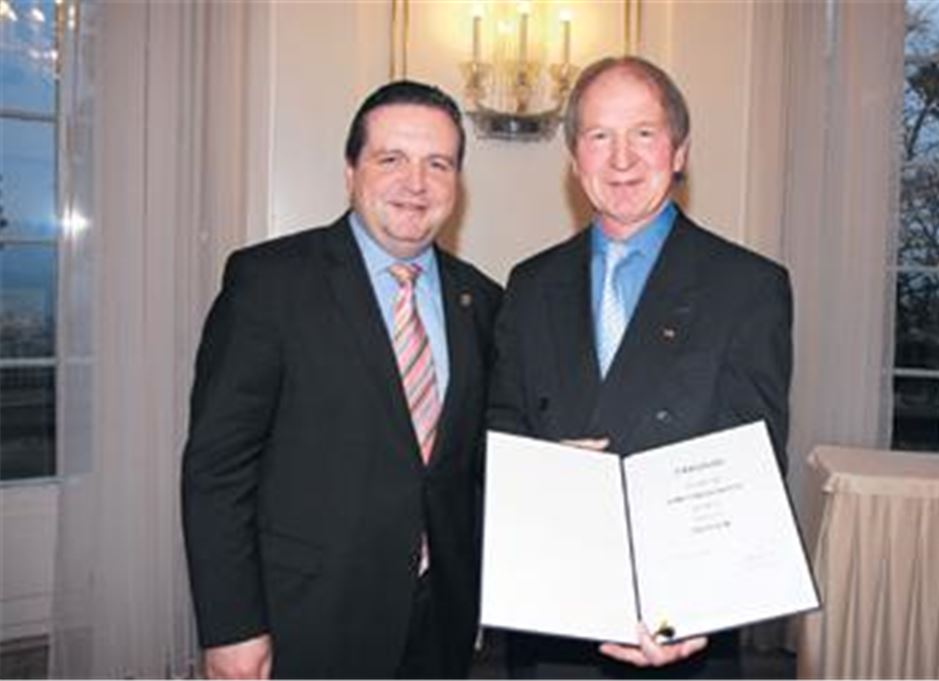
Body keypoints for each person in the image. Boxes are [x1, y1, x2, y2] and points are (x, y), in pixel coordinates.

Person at [181, 80, 502, 679]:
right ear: (351, 170)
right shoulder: (269, 284)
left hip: (441, 622)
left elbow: (480, 462)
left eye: (438, 164)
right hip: (308, 622)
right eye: (391, 160)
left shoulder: (480, 300)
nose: (416, 183)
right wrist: (231, 628)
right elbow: (216, 470)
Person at [488, 55, 793, 678]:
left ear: (679, 151)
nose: (621, 159)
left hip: (683, 634)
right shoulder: (529, 283)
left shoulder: (748, 286)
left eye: (643, 134)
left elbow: (750, 464)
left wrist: (686, 611)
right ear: (575, 161)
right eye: (600, 136)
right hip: (554, 629)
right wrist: (544, 478)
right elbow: (502, 430)